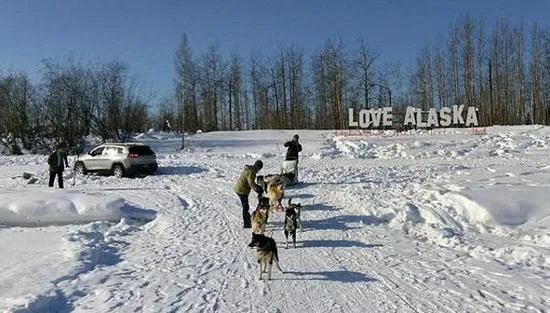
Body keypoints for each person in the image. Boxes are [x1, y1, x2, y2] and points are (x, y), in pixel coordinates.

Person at [234, 160, 264, 228]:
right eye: (259, 168)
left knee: (245, 206)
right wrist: (258, 190)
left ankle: (248, 219)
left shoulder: (250, 169)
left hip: (240, 189)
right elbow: (251, 183)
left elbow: (251, 182)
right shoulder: (251, 172)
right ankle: (246, 224)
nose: (259, 170)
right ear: (257, 167)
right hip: (241, 190)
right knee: (245, 207)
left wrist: (257, 188)